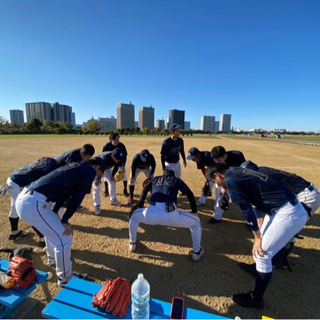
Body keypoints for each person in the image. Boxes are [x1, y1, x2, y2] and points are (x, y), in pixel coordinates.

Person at [206, 163, 308, 308]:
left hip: (288, 213)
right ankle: (258, 270)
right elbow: (241, 183)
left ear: (217, 175)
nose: (216, 185)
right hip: (284, 208)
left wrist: (257, 237)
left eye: (215, 182)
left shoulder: (231, 180)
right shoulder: (234, 171)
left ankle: (256, 299)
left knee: (262, 253)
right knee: (260, 253)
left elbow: (247, 211)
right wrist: (226, 187)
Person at [15, 158, 103, 287]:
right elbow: (77, 199)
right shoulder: (89, 171)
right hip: (35, 203)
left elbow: (63, 192)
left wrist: (56, 211)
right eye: (100, 172)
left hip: (26, 199)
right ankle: (65, 278)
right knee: (63, 237)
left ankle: (52, 258)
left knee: (51, 231)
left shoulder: (77, 165)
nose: (98, 176)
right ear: (97, 168)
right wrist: (65, 220)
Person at [128, 169, 204, 262]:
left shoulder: (155, 179)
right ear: (173, 175)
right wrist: (194, 211)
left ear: (163, 175)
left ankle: (132, 244)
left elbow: (144, 190)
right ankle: (196, 253)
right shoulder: (176, 180)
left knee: (134, 216)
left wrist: (140, 205)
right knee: (196, 223)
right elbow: (189, 194)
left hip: (152, 213)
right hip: (171, 214)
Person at [0, 157, 59, 245]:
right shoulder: (52, 170)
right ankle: (42, 237)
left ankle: (14, 232)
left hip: (12, 178)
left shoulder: (47, 162)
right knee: (30, 209)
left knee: (14, 207)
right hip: (18, 184)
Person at [209, 145, 246, 224]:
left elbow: (243, 171)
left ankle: (249, 221)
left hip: (236, 179)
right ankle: (217, 217)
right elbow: (217, 176)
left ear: (225, 155)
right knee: (219, 195)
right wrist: (224, 186)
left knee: (242, 200)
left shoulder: (237, 156)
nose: (217, 162)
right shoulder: (216, 160)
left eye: (218, 160)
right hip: (222, 179)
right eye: (215, 160)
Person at [55, 144, 95, 211]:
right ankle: (66, 203)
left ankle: (70, 203)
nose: (88, 160)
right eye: (88, 158)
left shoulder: (81, 155)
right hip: (56, 171)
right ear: (82, 153)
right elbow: (67, 173)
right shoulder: (72, 157)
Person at [92, 148, 126, 215]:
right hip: (97, 168)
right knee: (97, 186)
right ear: (112, 156)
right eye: (117, 158)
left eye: (120, 158)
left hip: (106, 168)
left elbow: (116, 166)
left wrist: (113, 176)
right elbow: (102, 168)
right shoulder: (104, 158)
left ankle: (113, 200)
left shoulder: (119, 158)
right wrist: (98, 179)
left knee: (112, 182)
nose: (119, 160)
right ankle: (97, 205)